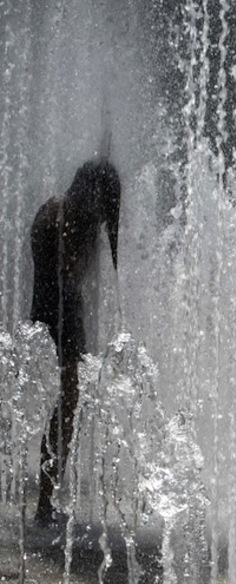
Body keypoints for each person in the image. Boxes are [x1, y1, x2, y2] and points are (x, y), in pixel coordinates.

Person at [30, 159, 121, 525]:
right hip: (62, 316)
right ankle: (44, 504)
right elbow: (69, 271)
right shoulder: (67, 218)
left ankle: (46, 502)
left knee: (64, 408)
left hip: (48, 310)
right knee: (66, 409)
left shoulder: (52, 209)